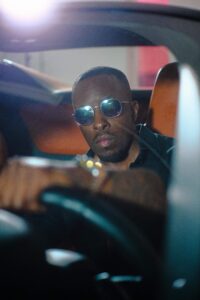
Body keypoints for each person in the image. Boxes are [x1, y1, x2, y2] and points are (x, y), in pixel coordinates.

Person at [0, 66, 174, 213]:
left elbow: (169, 198)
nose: (99, 123)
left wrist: (81, 179)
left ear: (134, 111)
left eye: (111, 107)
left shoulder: (176, 156)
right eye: (84, 115)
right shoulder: (73, 171)